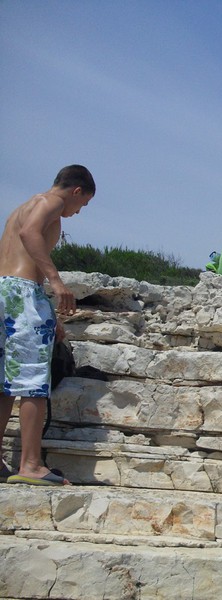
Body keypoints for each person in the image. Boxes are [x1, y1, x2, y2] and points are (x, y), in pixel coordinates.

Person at [0, 165, 96, 485]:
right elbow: (30, 233)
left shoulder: (23, 206)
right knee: (33, 381)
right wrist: (56, 281)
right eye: (82, 204)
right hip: (23, 292)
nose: (78, 211)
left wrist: (48, 314)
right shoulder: (51, 202)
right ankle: (30, 464)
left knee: (4, 382)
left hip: (4, 290)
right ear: (76, 191)